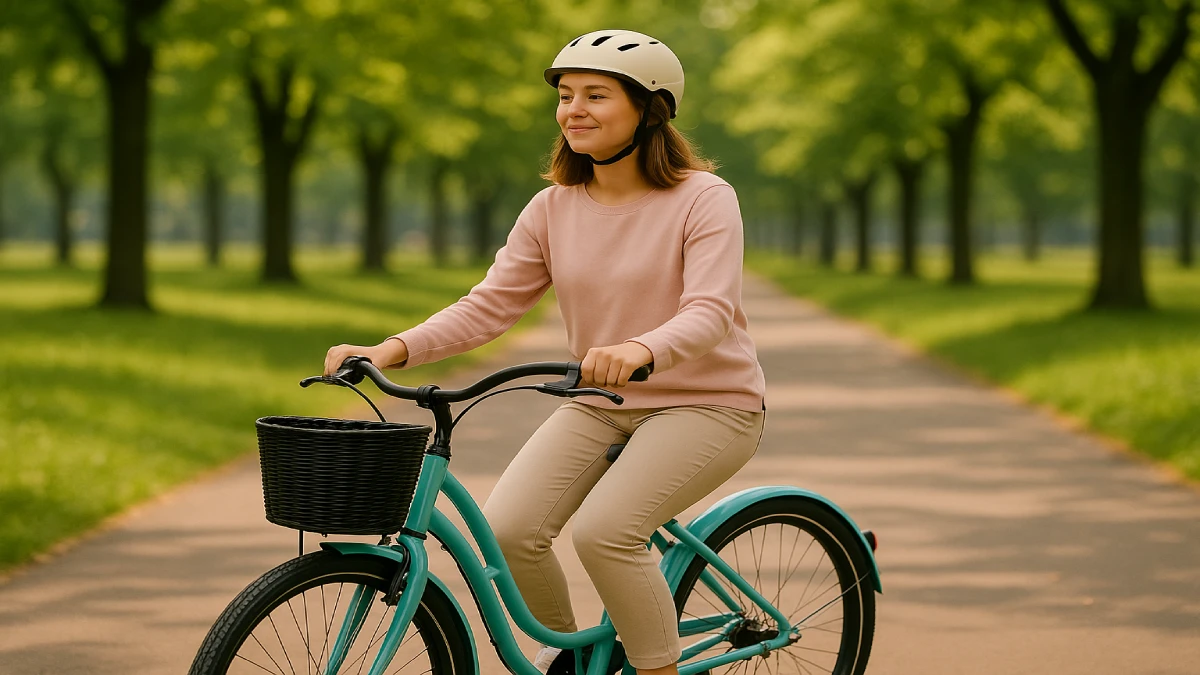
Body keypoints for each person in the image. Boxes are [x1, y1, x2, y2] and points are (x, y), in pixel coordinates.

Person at [324, 29, 767, 675]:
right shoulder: (552, 207)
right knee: (508, 533)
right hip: (599, 400)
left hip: (709, 403)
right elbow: (489, 304)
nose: (573, 110)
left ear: (651, 109)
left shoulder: (703, 198)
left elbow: (709, 311)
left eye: (595, 95)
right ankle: (574, 660)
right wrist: (392, 348)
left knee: (606, 533)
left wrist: (642, 347)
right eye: (565, 96)